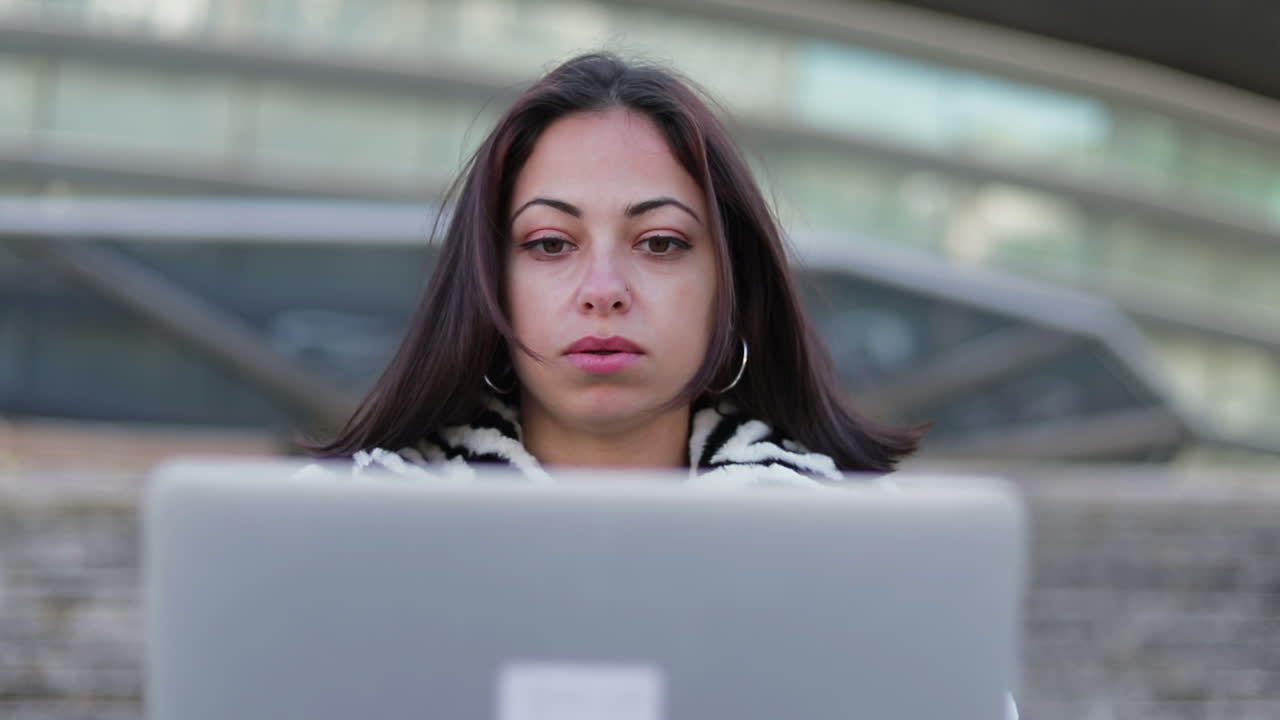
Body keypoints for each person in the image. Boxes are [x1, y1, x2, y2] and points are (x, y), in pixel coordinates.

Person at [308, 52, 924, 485]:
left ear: (731, 287)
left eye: (659, 243)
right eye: (550, 244)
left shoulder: (866, 545)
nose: (604, 292)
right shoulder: (335, 525)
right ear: (489, 283)